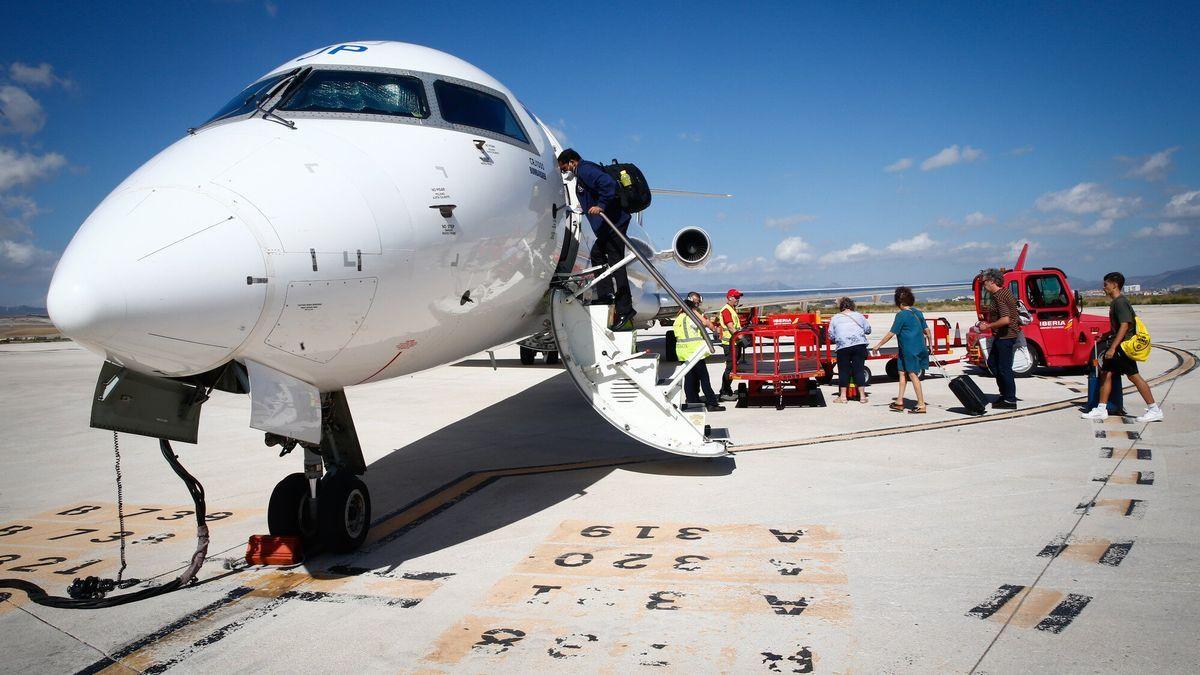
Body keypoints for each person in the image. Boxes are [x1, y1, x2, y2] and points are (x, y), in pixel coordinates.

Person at [557, 149, 634, 331]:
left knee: (616, 264)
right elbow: (592, 194)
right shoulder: (582, 173)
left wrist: (601, 206)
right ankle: (605, 294)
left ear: (572, 161)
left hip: (614, 223)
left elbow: (608, 185)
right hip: (607, 226)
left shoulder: (585, 170)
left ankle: (625, 310)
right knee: (597, 255)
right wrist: (584, 208)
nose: (564, 172)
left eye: (564, 168)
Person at [1082, 272, 1163, 422]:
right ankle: (1101, 409)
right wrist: (1106, 335)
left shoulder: (1120, 303)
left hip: (1122, 348)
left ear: (1115, 285)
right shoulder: (1116, 302)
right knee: (1106, 373)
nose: (1104, 287)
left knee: (1134, 377)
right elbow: (1119, 326)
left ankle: (1154, 409)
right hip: (1118, 345)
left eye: (1106, 284)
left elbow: (1125, 325)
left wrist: (1113, 347)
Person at [872, 286, 931, 413]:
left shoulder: (901, 315)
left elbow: (891, 333)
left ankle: (921, 404)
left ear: (899, 302)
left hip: (909, 350)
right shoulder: (918, 312)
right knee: (902, 373)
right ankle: (899, 401)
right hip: (912, 349)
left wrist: (878, 345)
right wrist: (930, 345)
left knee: (912, 374)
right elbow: (927, 330)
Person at [673, 292, 725, 412]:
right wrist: (714, 329)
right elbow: (705, 323)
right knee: (704, 378)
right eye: (697, 303)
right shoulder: (693, 317)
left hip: (683, 353)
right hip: (695, 352)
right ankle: (712, 403)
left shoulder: (679, 317)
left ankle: (692, 402)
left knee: (690, 379)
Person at [977, 269, 1020, 409]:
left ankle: (1009, 399)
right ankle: (1005, 394)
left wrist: (988, 326)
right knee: (994, 364)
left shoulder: (999, 296)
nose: (984, 285)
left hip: (1006, 336)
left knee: (1003, 368)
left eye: (984, 282)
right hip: (1003, 335)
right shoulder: (1004, 292)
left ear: (992, 281)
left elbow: (1005, 319)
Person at [828, 297, 871, 403]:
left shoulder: (835, 318)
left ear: (841, 307)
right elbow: (868, 329)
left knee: (843, 371)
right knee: (859, 370)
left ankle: (843, 397)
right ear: (852, 306)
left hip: (843, 347)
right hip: (859, 345)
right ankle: (862, 397)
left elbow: (831, 335)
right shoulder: (859, 315)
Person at [716, 289, 744, 402]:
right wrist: (742, 338)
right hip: (730, 343)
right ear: (729, 298)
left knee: (732, 367)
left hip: (734, 342)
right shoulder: (726, 310)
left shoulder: (731, 309)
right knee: (730, 368)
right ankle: (724, 392)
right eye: (736, 297)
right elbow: (731, 327)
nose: (738, 299)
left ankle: (726, 390)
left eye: (739, 297)